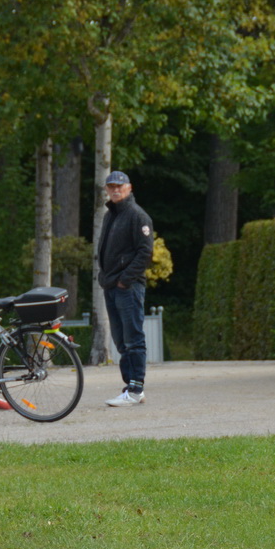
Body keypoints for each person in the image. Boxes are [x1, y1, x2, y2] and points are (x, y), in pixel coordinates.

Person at [95, 170, 153, 407]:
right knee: (121, 340)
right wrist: (106, 277)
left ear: (129, 188)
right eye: (111, 186)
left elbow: (145, 252)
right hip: (112, 285)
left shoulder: (138, 216)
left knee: (133, 338)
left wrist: (125, 279)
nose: (115, 189)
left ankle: (136, 387)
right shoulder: (111, 215)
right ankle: (129, 386)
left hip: (127, 287)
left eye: (120, 186)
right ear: (107, 189)